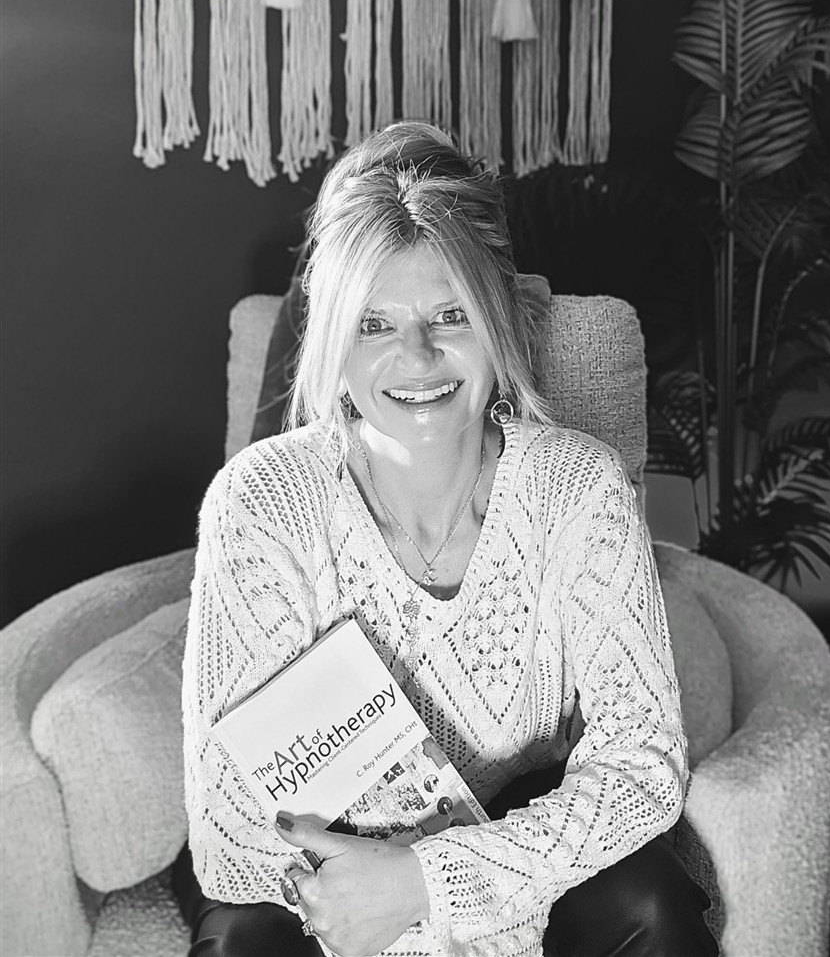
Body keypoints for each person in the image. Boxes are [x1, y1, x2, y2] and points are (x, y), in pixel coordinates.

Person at [177, 121, 718, 957]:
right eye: (376, 324)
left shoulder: (579, 490)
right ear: (335, 345)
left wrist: (433, 884)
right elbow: (229, 843)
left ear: (498, 324)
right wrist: (392, 906)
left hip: (515, 838)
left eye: (449, 314)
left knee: (649, 901)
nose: (418, 356)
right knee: (241, 939)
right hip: (331, 877)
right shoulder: (262, 505)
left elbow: (643, 768)